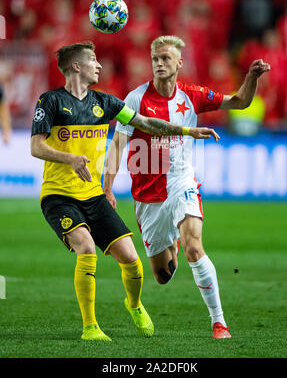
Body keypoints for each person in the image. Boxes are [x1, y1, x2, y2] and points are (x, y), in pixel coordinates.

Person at [30, 41, 219, 342]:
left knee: (131, 259)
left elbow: (145, 122)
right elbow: (36, 146)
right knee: (86, 248)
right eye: (92, 60)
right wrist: (70, 158)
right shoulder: (50, 101)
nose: (99, 65)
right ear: (76, 66)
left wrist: (187, 130)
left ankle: (133, 304)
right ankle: (90, 327)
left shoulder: (105, 103)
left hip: (92, 195)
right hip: (59, 195)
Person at [103, 35, 270, 339]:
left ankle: (219, 322)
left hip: (182, 181)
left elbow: (240, 101)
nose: (159, 63)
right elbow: (117, 145)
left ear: (179, 62)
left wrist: (251, 77)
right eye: (155, 58)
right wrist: (108, 187)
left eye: (165, 58)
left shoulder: (191, 96)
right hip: (148, 195)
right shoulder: (135, 99)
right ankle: (172, 241)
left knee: (195, 248)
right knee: (163, 275)